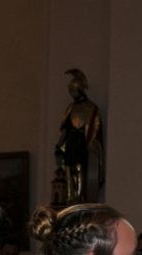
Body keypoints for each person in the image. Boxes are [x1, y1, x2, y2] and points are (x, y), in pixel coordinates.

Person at [54, 68, 104, 205]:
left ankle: (79, 197)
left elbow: (93, 130)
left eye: (73, 91)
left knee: (79, 169)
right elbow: (65, 129)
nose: (72, 94)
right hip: (70, 142)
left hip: (81, 142)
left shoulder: (91, 108)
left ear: (79, 90)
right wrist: (59, 145)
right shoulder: (71, 108)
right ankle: (70, 196)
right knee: (68, 170)